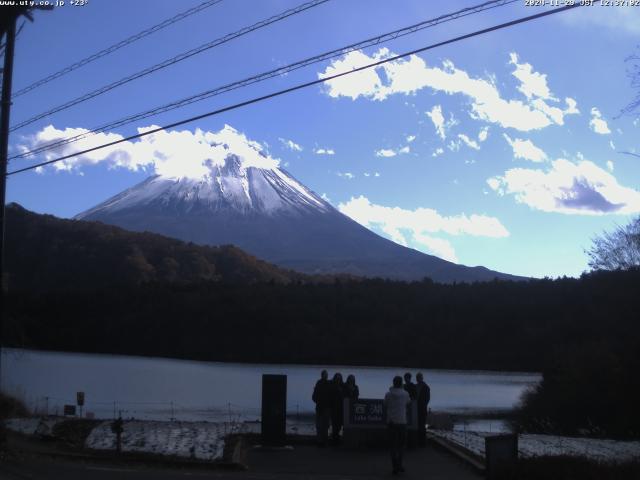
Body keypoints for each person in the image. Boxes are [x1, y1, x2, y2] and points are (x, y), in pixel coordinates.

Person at [384, 376, 411, 475]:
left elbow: (385, 404)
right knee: (401, 445)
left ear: (393, 383)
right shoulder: (405, 394)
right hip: (402, 422)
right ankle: (400, 464)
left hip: (391, 422)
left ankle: (394, 466)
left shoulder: (388, 394)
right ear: (401, 383)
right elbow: (408, 402)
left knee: (393, 446)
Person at [312, 370, 332, 446]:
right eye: (324, 375)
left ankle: (323, 441)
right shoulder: (319, 384)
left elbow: (314, 397)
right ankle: (320, 441)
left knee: (325, 425)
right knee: (320, 425)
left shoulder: (328, 383)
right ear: (322, 375)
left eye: (326, 375)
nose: (325, 376)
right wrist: (319, 401)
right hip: (320, 407)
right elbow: (314, 397)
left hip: (326, 407)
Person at [416, 372, 431, 447]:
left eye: (419, 377)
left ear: (421, 378)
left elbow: (427, 399)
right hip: (416, 409)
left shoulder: (426, 387)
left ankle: (423, 442)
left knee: (422, 425)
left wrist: (423, 405)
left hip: (422, 408)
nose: (417, 379)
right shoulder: (415, 386)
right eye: (417, 377)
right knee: (417, 424)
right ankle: (418, 440)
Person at [330, 372, 345, 443]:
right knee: (334, 425)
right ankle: (334, 439)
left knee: (339, 425)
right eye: (337, 378)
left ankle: (336, 437)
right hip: (334, 408)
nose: (338, 380)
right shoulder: (332, 386)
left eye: (339, 378)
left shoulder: (343, 386)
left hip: (341, 408)